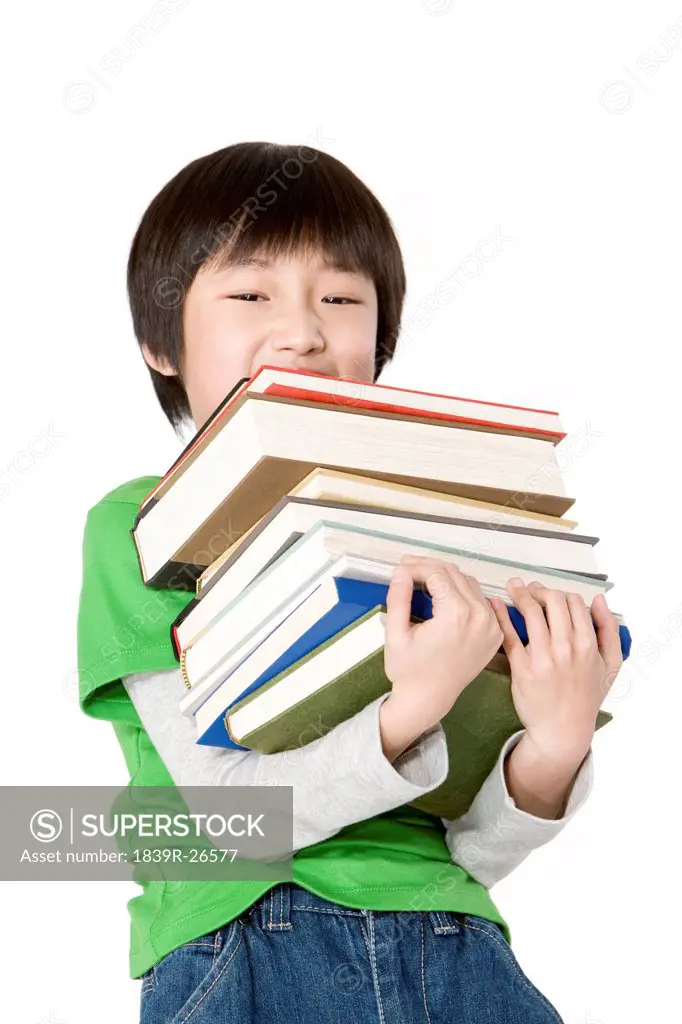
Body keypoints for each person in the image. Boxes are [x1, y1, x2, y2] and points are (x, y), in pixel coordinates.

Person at [77, 141, 623, 1024]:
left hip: (459, 944)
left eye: (340, 298)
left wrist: (554, 750)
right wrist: (409, 708)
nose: (303, 330)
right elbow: (229, 825)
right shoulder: (143, 526)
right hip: (251, 943)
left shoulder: (432, 524)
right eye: (251, 294)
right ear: (159, 341)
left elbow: (466, 852)